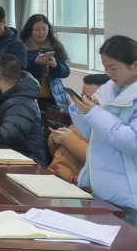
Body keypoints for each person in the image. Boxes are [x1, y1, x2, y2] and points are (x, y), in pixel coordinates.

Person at [69, 35, 137, 227]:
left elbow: (133, 142)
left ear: (135, 65)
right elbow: (91, 134)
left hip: (128, 194)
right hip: (101, 188)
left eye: (113, 68)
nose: (109, 74)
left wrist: (95, 113)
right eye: (105, 67)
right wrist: (83, 110)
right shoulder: (110, 89)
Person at [47, 73, 109, 184]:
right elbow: (57, 154)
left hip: (75, 184)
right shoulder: (81, 117)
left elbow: (96, 160)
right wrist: (55, 140)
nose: (83, 101)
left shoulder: (108, 125)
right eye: (82, 96)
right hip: (54, 174)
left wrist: (67, 139)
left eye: (89, 98)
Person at [20, 14, 71, 108]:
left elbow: (66, 72)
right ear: (30, 30)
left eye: (44, 29)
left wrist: (55, 66)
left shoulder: (56, 46)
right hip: (30, 97)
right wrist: (35, 63)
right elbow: (18, 71)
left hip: (54, 97)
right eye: (37, 29)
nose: (41, 32)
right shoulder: (21, 46)